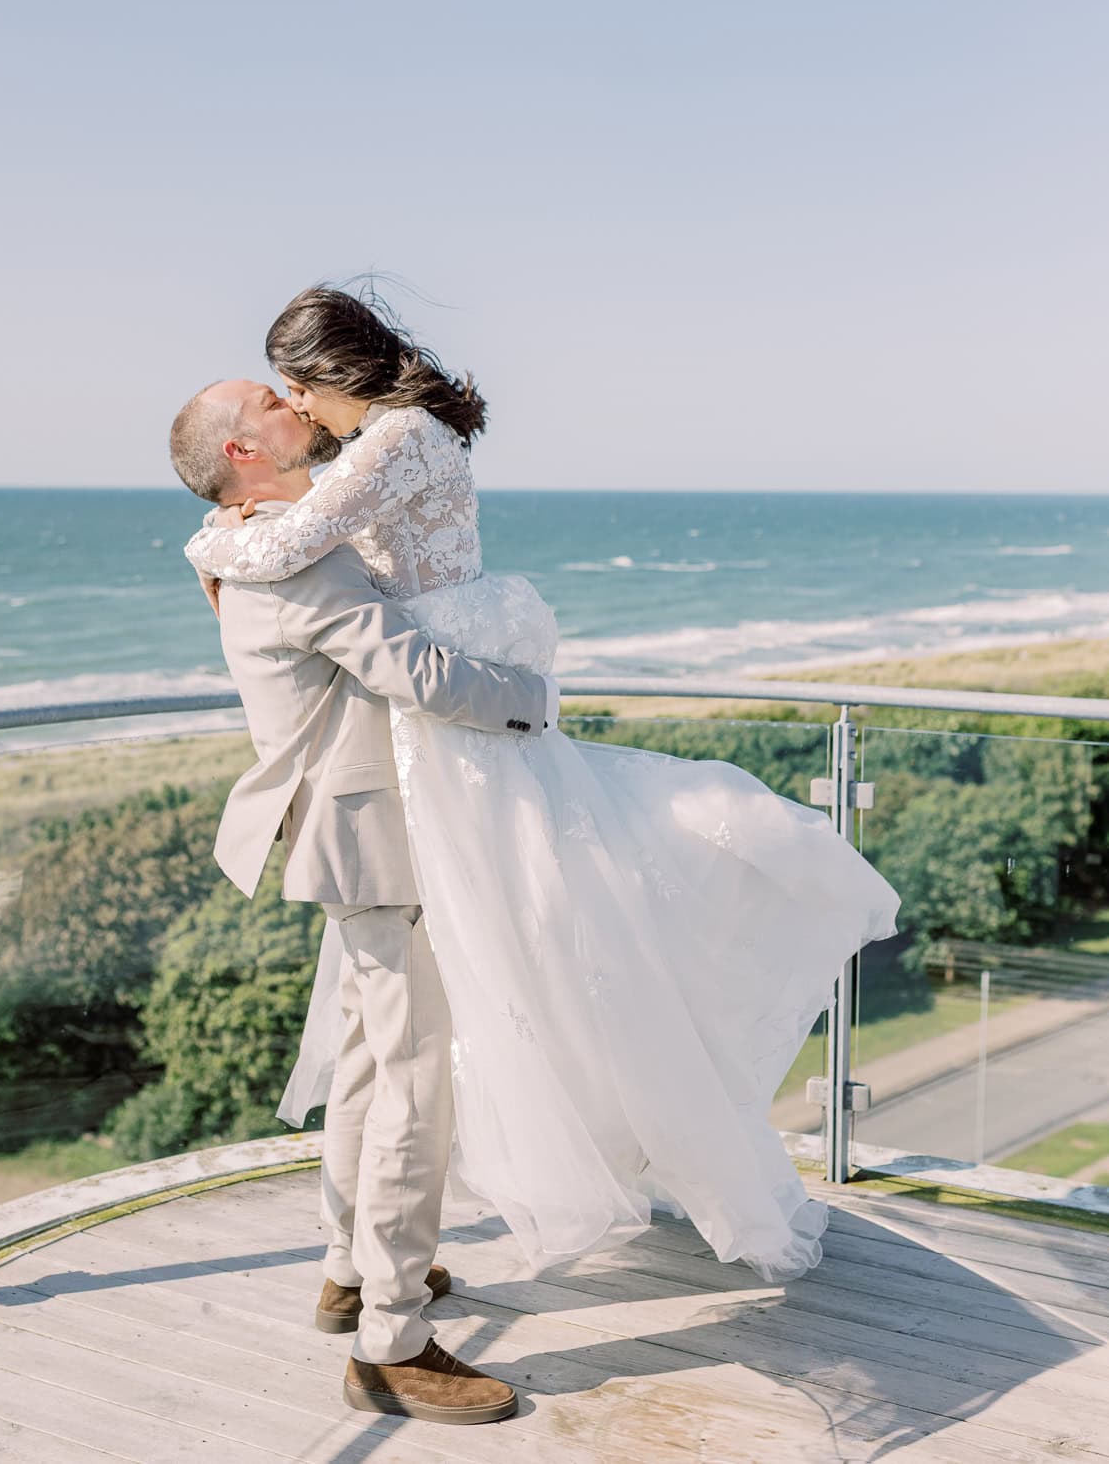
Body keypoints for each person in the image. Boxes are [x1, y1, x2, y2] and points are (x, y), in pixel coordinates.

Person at [185, 285, 901, 1293]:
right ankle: (364, 1267)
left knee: (471, 999)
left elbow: (289, 547)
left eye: (294, 387)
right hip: (416, 754)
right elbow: (319, 558)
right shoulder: (377, 447)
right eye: (279, 399)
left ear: (329, 374)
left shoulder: (398, 441)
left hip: (452, 734)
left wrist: (209, 535)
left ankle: (373, 1271)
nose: (294, 409)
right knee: (412, 1027)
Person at [170, 377, 561, 1426]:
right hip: (373, 838)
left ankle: (351, 1268)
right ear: (246, 452)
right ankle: (390, 1341)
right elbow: (418, 669)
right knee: (411, 1077)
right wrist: (535, 701)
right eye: (268, 401)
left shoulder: (246, 540)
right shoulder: (295, 559)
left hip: (345, 834)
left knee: (365, 1053)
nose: (295, 402)